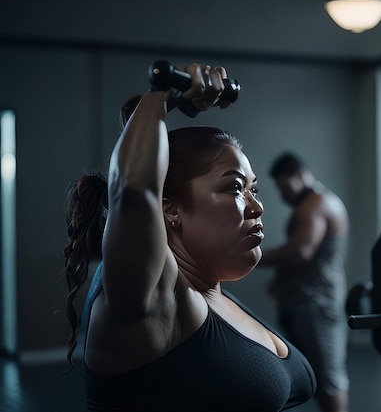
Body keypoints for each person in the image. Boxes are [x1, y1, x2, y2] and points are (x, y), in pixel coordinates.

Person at [62, 63, 316, 411]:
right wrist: (160, 100)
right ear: (169, 209)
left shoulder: (212, 293)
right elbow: (133, 191)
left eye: (254, 189)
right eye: (236, 189)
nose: (257, 207)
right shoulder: (151, 301)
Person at [258, 152, 350, 412]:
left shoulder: (316, 205)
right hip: (305, 301)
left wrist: (251, 257)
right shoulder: (314, 203)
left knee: (330, 381)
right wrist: (280, 280)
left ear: (301, 176)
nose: (283, 194)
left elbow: (301, 252)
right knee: (317, 379)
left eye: (285, 187)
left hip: (317, 304)